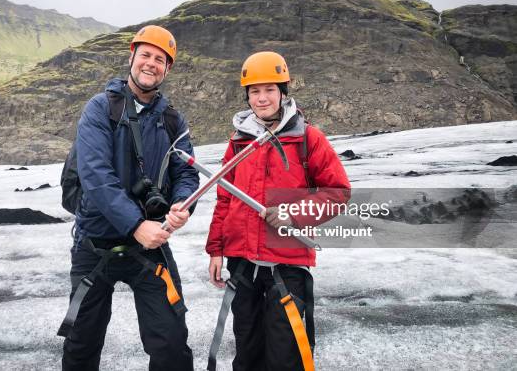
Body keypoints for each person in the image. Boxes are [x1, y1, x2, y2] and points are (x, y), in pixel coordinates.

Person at [61, 25, 199, 371]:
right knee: (82, 344)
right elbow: (95, 175)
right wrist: (136, 224)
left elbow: (186, 172)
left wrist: (183, 204)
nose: (151, 64)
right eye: (146, 55)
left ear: (168, 69)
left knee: (170, 344)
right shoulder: (100, 108)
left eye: (160, 60)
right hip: (95, 245)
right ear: (132, 57)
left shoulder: (172, 120)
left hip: (150, 249)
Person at [205, 51, 351, 371]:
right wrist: (216, 249)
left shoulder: (308, 138)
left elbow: (337, 192)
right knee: (247, 352)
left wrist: (293, 214)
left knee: (286, 357)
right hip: (242, 264)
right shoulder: (239, 141)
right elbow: (225, 198)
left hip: (287, 266)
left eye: (269, 89)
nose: (262, 98)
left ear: (283, 92)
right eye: (254, 91)